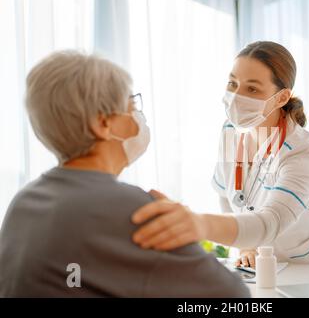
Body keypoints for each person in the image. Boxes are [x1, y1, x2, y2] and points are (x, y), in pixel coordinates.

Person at [0, 51, 250, 298]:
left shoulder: (23, 203)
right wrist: (190, 230)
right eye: (131, 106)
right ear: (103, 124)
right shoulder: (135, 209)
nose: (138, 118)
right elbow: (233, 294)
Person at [131, 41, 309, 268]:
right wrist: (244, 246)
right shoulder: (231, 130)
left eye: (252, 89)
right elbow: (226, 194)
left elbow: (272, 221)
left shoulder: (302, 153)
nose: (236, 97)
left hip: (307, 264)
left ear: (281, 98)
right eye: (232, 83)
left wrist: (198, 224)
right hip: (257, 264)